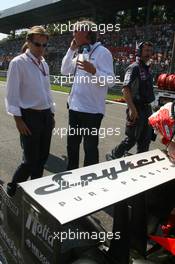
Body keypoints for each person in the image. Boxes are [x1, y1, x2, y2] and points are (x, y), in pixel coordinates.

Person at [5, 26, 55, 196]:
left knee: (42, 158)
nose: (41, 49)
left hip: (46, 115)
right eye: (37, 44)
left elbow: (47, 90)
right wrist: (18, 120)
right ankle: (11, 190)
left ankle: (35, 192)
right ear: (28, 42)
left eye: (44, 45)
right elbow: (12, 94)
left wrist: (52, 113)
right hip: (29, 116)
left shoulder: (44, 64)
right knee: (30, 160)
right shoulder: (18, 62)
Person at [61, 20, 115, 170]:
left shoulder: (103, 52)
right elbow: (64, 71)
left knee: (90, 148)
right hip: (74, 108)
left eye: (75, 31)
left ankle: (89, 180)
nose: (72, 34)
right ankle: (71, 174)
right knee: (72, 145)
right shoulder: (80, 52)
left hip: (92, 111)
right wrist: (71, 50)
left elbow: (111, 81)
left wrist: (94, 71)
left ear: (86, 32)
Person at [106, 41, 155, 160]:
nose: (149, 53)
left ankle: (140, 161)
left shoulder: (147, 68)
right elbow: (125, 89)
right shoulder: (134, 67)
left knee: (146, 139)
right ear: (139, 51)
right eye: (146, 51)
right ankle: (114, 155)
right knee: (132, 138)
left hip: (147, 109)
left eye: (150, 51)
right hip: (136, 108)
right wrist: (132, 109)